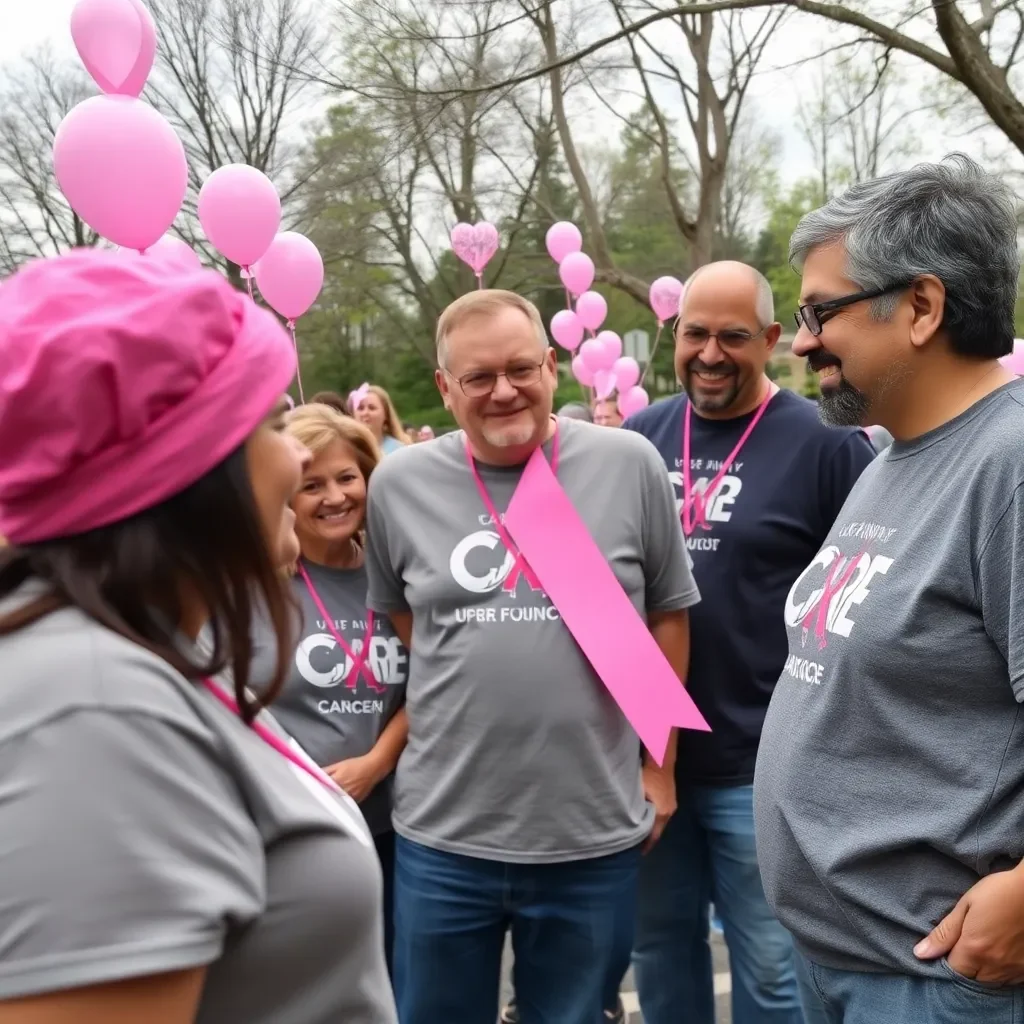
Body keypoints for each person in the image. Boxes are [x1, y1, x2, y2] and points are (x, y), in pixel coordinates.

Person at [0, 251, 396, 1022]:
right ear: (188, 466)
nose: (305, 455)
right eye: (275, 424)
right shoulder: (96, 710)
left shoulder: (143, 652)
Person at [363, 289, 700, 1024]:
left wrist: (659, 765)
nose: (504, 390)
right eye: (478, 378)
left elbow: (668, 620)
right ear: (446, 389)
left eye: (520, 368)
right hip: (444, 836)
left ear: (552, 367)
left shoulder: (629, 463)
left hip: (591, 834)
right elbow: (402, 616)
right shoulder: (397, 485)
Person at [754, 154, 1024, 1024]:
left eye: (818, 311)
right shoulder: (890, 455)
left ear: (921, 306)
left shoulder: (1010, 466)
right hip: (841, 963)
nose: (799, 342)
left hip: (931, 982)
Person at [622, 260, 875, 1024]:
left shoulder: (827, 445)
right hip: (649, 761)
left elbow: (866, 606)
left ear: (770, 339)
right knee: (660, 954)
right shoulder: (639, 440)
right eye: (695, 332)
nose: (709, 353)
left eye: (734, 336)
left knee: (770, 969)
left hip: (764, 766)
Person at [272, 403, 409, 973]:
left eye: (347, 477)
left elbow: (435, 680)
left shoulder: (400, 571)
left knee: (393, 979)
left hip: (393, 827)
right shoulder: (259, 581)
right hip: (294, 839)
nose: (335, 497)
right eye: (312, 485)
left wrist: (377, 761)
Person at [353, 385, 411, 454]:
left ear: (386, 414)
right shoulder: (348, 447)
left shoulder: (399, 450)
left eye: (372, 408)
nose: (365, 413)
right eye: (361, 408)